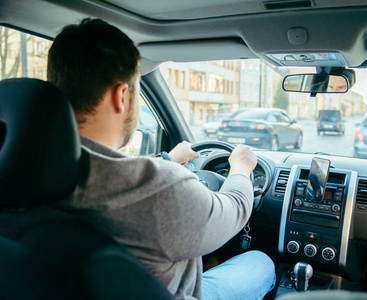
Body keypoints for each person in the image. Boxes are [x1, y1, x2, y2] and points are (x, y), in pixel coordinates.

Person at [47, 19, 275, 299]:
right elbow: (234, 210)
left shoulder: (20, 170)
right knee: (260, 262)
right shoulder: (161, 189)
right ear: (121, 96)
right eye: (137, 92)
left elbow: (120, 178)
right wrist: (240, 169)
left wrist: (166, 159)